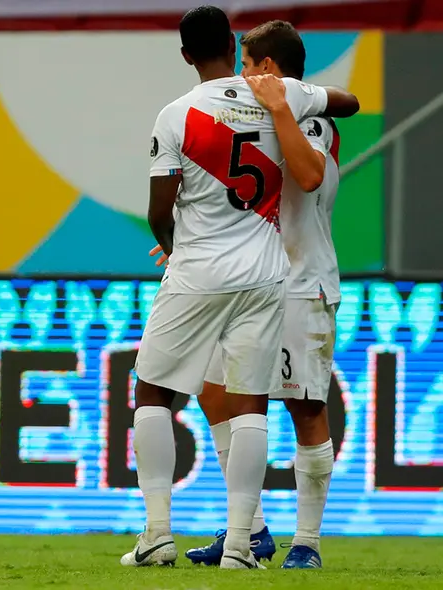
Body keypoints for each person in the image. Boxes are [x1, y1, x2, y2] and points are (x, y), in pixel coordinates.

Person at [121, 5, 358, 570]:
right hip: (259, 273)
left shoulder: (301, 115)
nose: (244, 73)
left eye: (252, 64)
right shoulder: (265, 105)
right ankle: (248, 532)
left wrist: (279, 105)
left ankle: (307, 543)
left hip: (299, 281)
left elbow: (308, 177)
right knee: (218, 393)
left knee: (303, 406)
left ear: (269, 67)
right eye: (241, 61)